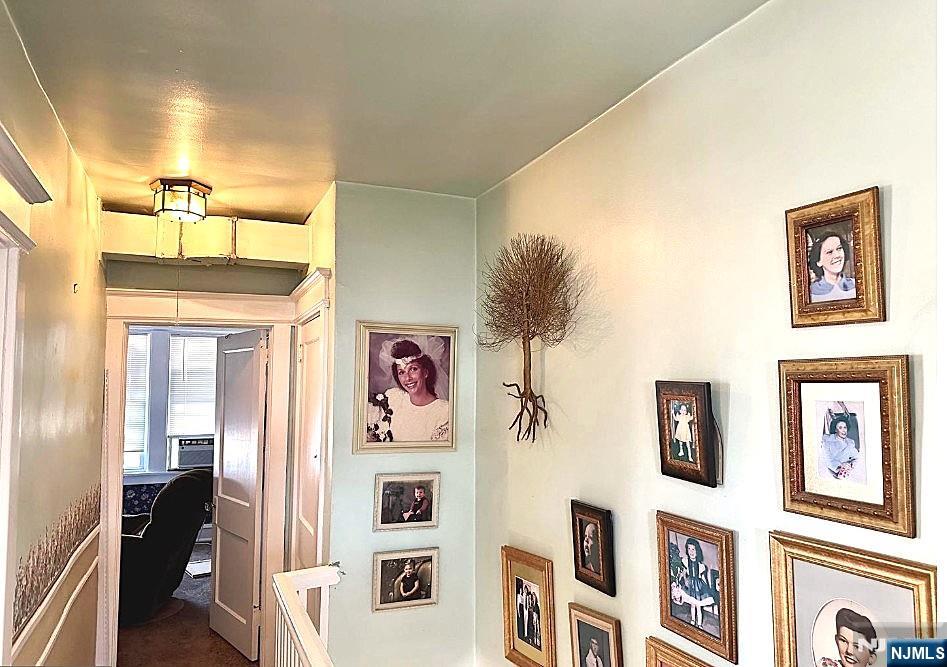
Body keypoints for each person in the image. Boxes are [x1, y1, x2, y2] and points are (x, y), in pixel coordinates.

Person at [367, 339, 450, 442]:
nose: (407, 378)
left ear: (425, 372)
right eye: (401, 372)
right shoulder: (394, 397)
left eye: (413, 369)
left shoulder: (444, 412)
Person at [675, 538, 715, 629]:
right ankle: (693, 620)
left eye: (693, 549)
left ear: (697, 551)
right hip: (690, 585)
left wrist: (707, 590)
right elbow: (684, 572)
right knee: (692, 605)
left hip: (698, 587)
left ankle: (699, 623)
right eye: (689, 549)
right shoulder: (685, 561)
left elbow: (703, 578)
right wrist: (681, 579)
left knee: (698, 606)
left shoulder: (701, 566)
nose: (691, 551)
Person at [809, 233, 857, 303]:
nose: (837, 255)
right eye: (829, 252)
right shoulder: (811, 292)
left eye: (839, 248)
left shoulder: (856, 285)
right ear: (818, 261)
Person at [821, 415, 859, 479]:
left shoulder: (850, 442)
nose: (844, 430)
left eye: (845, 427)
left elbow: (856, 457)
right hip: (832, 473)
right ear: (835, 430)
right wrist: (841, 466)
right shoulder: (827, 440)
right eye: (840, 428)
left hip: (848, 472)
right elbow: (827, 459)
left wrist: (850, 465)